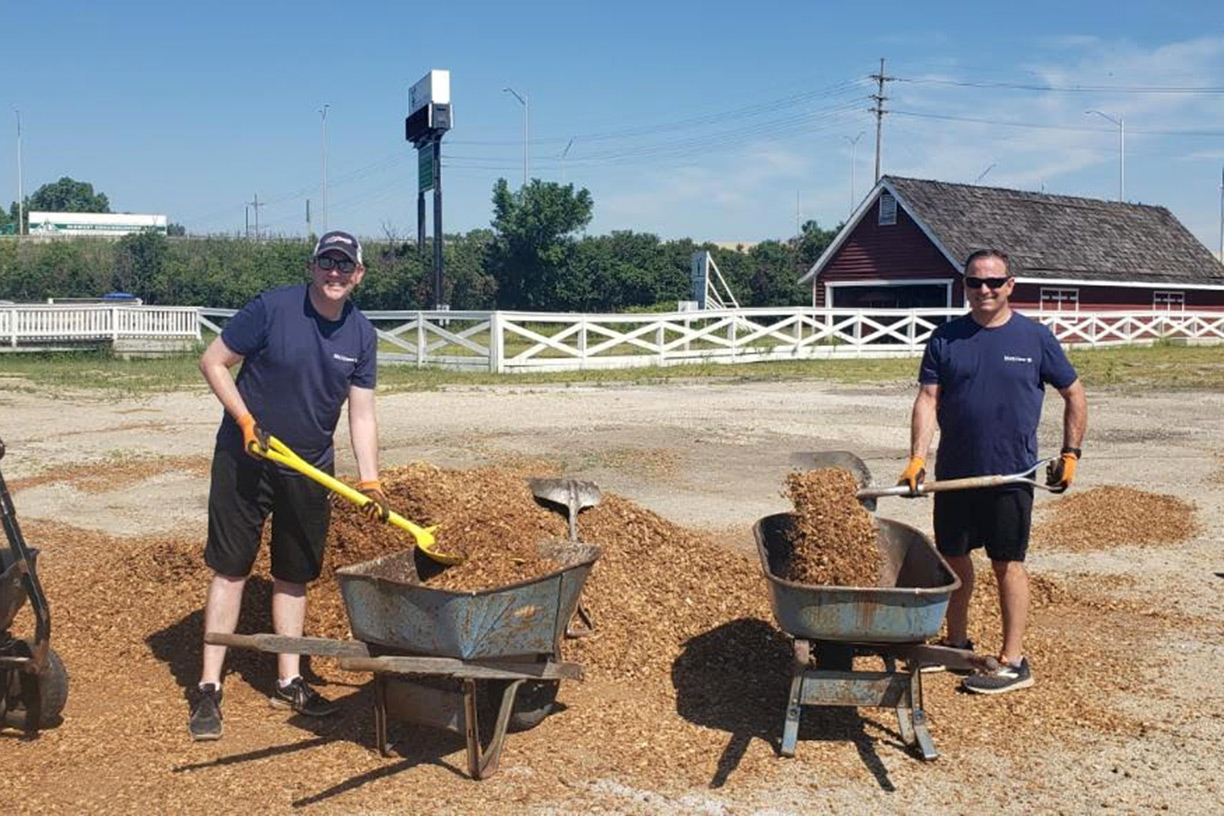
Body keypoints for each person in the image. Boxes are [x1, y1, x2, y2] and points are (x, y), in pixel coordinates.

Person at [188, 230, 390, 740]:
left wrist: (370, 478)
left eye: (346, 266)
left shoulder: (361, 334)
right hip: (246, 458)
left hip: (309, 468)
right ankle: (209, 687)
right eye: (328, 263)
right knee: (231, 569)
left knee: (293, 574)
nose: (335, 273)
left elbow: (361, 414)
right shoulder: (272, 309)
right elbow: (213, 361)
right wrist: (245, 420)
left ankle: (290, 679)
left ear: (359, 274)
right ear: (313, 266)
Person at [900, 248, 1087, 695]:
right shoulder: (946, 339)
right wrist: (917, 459)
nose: (983, 290)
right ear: (963, 285)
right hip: (956, 475)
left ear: (1010, 285)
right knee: (954, 561)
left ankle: (1013, 662)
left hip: (1012, 476)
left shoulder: (1034, 338)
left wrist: (1071, 453)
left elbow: (1074, 394)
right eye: (973, 283)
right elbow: (929, 399)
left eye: (992, 282)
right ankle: (956, 645)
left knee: (1008, 565)